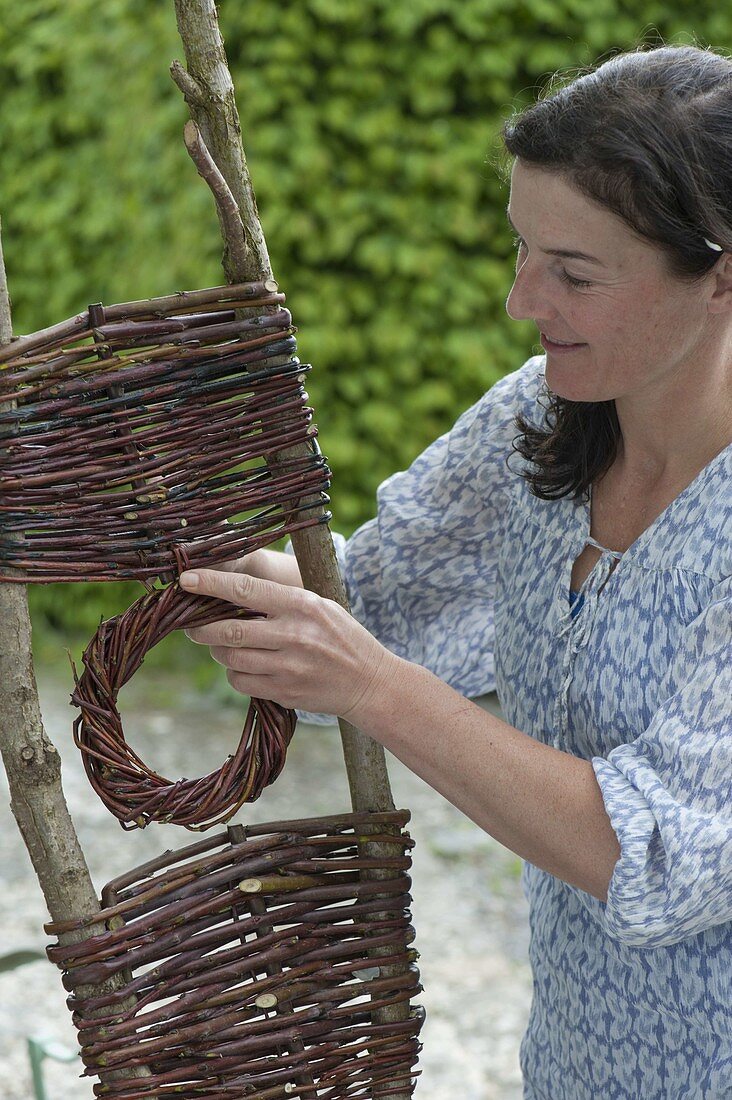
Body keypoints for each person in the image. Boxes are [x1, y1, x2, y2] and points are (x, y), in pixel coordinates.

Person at [180, 44, 732, 1099]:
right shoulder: (539, 419)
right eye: (523, 248)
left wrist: (365, 683)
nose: (524, 300)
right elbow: (372, 605)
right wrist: (213, 569)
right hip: (572, 1065)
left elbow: (660, 852)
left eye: (574, 272)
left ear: (722, 272)